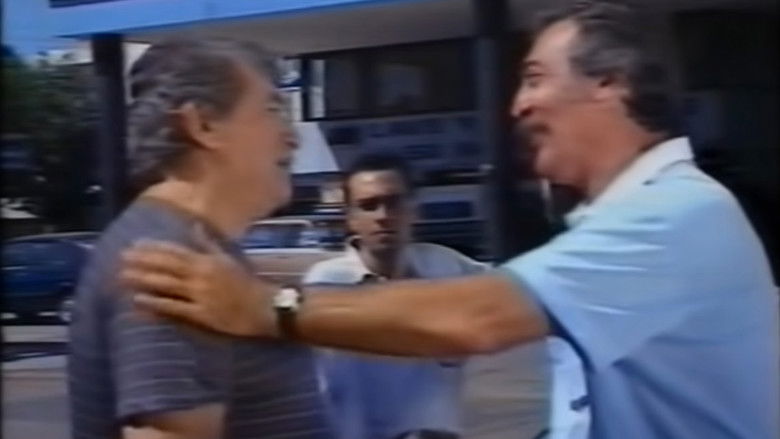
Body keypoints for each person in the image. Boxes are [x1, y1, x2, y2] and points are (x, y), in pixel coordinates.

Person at [119, 2, 780, 439]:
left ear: (610, 83)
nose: (517, 105)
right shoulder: (646, 217)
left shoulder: (673, 215)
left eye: (534, 78)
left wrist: (264, 307)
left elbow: (478, 317)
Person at [67, 39, 334, 439]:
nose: (292, 137)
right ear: (203, 125)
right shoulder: (167, 259)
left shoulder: (185, 246)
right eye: (272, 110)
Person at [303, 152, 486, 439]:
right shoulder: (327, 283)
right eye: (368, 206)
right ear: (351, 218)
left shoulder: (446, 268)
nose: (383, 216)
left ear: (414, 210)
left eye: (394, 202)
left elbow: (516, 288)